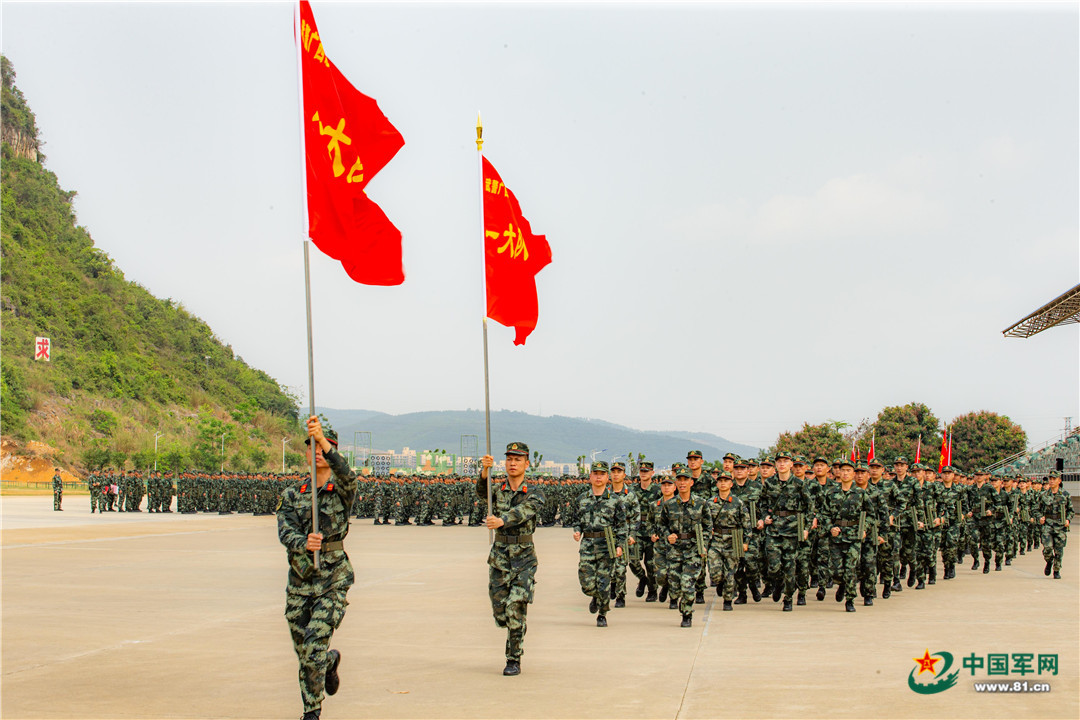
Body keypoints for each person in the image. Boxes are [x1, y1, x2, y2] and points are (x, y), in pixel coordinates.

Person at [277, 416, 358, 720]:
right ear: (306, 454)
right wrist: (303, 542)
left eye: (325, 448)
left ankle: (311, 712)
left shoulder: (342, 490)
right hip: (300, 582)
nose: (319, 453)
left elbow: (348, 475)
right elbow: (284, 531)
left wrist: (323, 439)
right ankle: (327, 662)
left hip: (332, 579)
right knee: (305, 653)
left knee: (313, 644)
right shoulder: (292, 495)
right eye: (313, 447)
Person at [478, 442, 546, 676]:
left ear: (527, 464)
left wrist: (502, 520)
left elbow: (525, 511)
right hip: (499, 557)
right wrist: (484, 471)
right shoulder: (497, 490)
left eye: (518, 459)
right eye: (509, 459)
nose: (513, 463)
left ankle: (513, 658)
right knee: (501, 611)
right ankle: (514, 628)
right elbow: (481, 493)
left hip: (524, 558)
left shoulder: (535, 492)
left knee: (516, 607)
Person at [572, 461, 627, 627]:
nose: (598, 477)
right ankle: (594, 596)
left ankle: (602, 613)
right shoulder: (582, 499)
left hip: (607, 543)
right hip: (588, 544)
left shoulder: (615, 501)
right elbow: (577, 519)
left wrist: (620, 545)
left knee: (604, 581)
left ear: (607, 478)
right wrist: (577, 530)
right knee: (586, 583)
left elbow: (621, 526)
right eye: (595, 473)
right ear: (590, 477)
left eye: (602, 474)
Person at [658, 466, 712, 627]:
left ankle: (687, 614)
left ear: (691, 482)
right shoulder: (669, 504)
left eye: (686, 479)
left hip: (693, 549)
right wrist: (668, 535)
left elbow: (708, 527)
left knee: (688, 584)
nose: (682, 483)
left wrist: (704, 545)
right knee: (675, 585)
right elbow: (661, 525)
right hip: (675, 550)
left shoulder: (701, 504)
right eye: (679, 480)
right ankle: (679, 599)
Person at [1038, 470, 1072, 579]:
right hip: (1047, 525)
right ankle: (1049, 561)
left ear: (1059, 481)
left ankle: (1056, 570)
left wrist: (1068, 520)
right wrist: (1040, 517)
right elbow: (1035, 509)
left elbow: (1071, 511)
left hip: (1060, 526)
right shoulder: (1043, 495)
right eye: (1050, 479)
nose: (1051, 481)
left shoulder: (1065, 495)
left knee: (1059, 550)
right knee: (1047, 548)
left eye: (1054, 479)